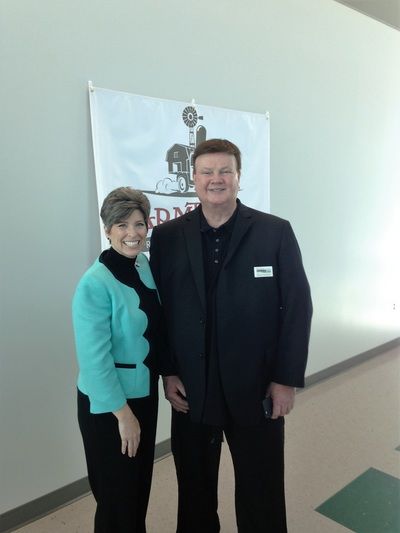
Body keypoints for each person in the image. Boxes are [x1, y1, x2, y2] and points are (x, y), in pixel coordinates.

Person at [150, 139, 313, 533]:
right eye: (207, 171)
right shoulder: (167, 237)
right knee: (195, 489)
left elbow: (297, 309)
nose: (216, 179)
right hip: (192, 388)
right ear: (194, 179)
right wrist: (168, 372)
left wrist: (285, 379)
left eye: (225, 171)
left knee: (262, 487)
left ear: (239, 177)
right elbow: (161, 311)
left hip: (256, 387)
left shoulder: (274, 232)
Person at [72, 187, 161, 533]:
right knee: (116, 500)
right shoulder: (94, 284)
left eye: (139, 224)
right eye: (122, 225)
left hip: (143, 395)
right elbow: (94, 362)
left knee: (137, 492)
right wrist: (124, 415)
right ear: (107, 229)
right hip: (110, 407)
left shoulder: (142, 265)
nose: (132, 233)